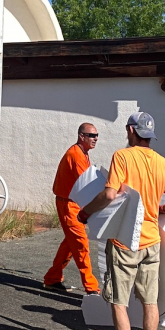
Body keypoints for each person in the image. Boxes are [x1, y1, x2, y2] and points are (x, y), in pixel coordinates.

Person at [77, 112, 165, 330]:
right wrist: (161, 209)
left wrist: (85, 212)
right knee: (151, 302)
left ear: (130, 130)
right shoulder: (164, 164)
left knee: (119, 302)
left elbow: (110, 194)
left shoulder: (123, 157)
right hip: (152, 242)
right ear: (150, 135)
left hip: (125, 241)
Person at [42, 123, 101, 294]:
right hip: (68, 204)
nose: (95, 138)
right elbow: (88, 184)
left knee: (70, 242)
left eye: (97, 135)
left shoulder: (82, 153)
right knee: (81, 244)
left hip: (73, 203)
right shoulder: (75, 155)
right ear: (81, 136)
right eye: (91, 135)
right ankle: (92, 289)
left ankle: (52, 279)